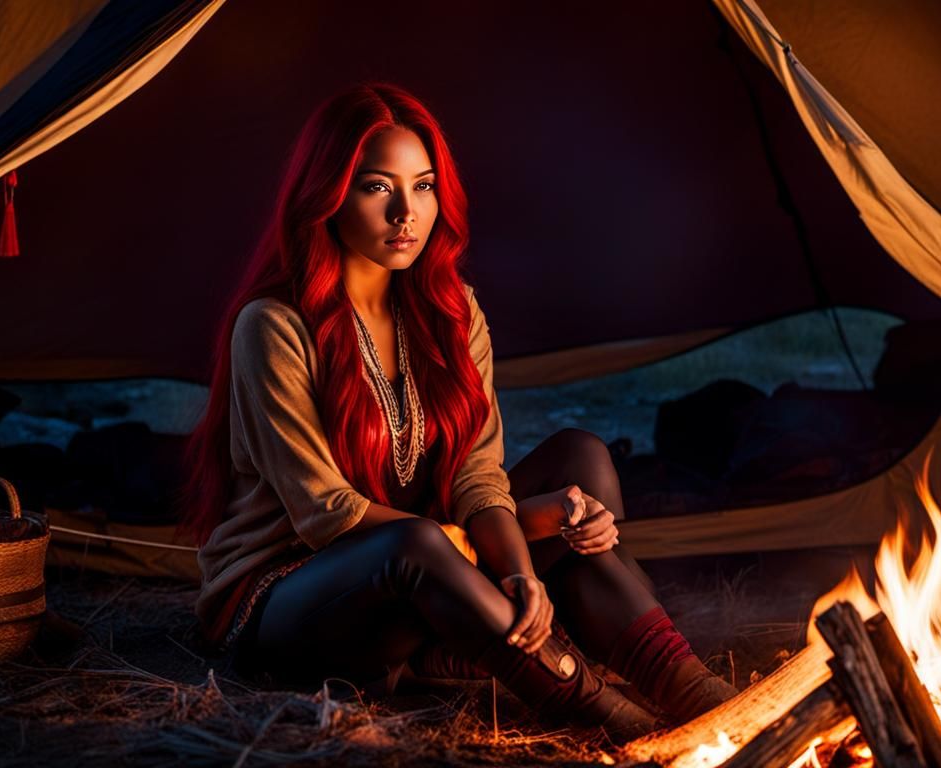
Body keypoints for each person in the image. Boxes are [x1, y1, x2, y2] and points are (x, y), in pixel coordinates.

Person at [181, 84, 736, 743]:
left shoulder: (450, 311)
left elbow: (476, 471)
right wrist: (519, 538)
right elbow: (325, 513)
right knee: (418, 543)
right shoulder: (272, 325)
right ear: (326, 196)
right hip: (288, 600)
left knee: (582, 460)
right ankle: (617, 724)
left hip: (423, 566)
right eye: (376, 188)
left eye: (422, 187)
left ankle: (693, 692)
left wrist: (521, 571)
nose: (404, 213)